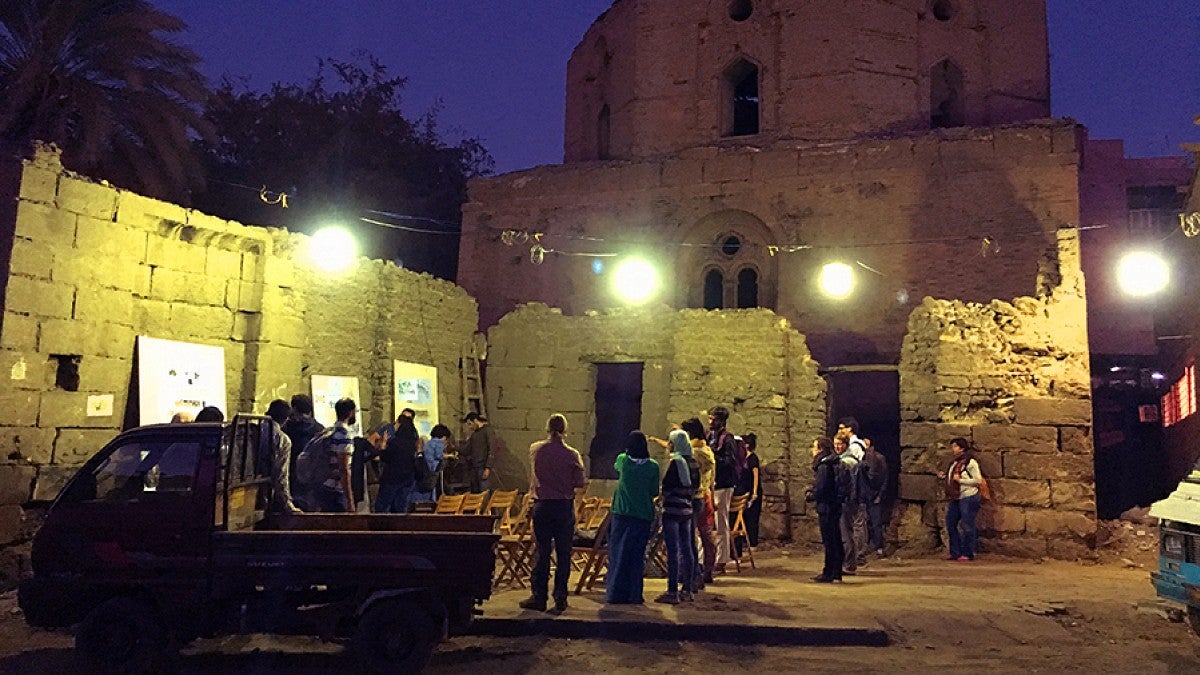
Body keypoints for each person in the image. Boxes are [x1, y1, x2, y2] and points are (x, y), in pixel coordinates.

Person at [520, 414, 586, 614]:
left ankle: (539, 596)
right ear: (565, 430)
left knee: (542, 552)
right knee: (564, 553)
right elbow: (579, 482)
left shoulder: (536, 449)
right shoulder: (572, 454)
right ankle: (560, 598)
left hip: (542, 505)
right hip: (564, 506)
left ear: (547, 428)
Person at [605, 431, 660, 604]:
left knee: (618, 554)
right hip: (643, 514)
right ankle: (634, 595)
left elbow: (616, 466)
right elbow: (654, 491)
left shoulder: (623, 460)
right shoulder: (653, 466)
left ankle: (615, 594)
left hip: (622, 513)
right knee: (637, 556)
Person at [657, 428, 699, 604]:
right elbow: (695, 487)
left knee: (673, 551)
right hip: (688, 510)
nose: (669, 446)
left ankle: (672, 591)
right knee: (687, 549)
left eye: (671, 443)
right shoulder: (694, 462)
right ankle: (687, 589)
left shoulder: (676, 463)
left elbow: (667, 486)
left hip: (673, 511)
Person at [681, 417, 716, 589]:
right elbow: (712, 478)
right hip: (707, 495)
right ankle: (708, 570)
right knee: (706, 534)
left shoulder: (693, 454)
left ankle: (691, 574)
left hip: (694, 497)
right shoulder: (708, 450)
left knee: (689, 537)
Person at [941, 437, 983, 561]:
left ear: (962, 448)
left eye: (955, 446)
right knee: (951, 522)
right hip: (957, 497)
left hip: (968, 496)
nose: (952, 449)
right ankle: (955, 551)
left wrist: (961, 481)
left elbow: (978, 480)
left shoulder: (970, 462)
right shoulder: (955, 462)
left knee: (967, 524)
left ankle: (968, 552)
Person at [707, 406, 738, 573]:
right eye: (709, 418)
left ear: (721, 421)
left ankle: (721, 559)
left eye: (713, 419)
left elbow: (729, 461)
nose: (710, 422)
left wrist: (712, 456)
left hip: (723, 485)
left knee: (721, 522)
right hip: (711, 484)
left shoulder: (728, 439)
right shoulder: (709, 435)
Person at [837, 416, 869, 566]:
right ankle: (856, 555)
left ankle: (858, 556)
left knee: (856, 525)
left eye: (842, 428)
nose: (840, 431)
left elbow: (853, 470)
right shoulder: (858, 445)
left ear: (850, 429)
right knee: (855, 524)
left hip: (854, 493)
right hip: (856, 492)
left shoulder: (855, 447)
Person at [811, 437, 844, 583]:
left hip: (826, 506)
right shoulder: (833, 462)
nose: (812, 450)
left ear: (820, 449)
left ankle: (828, 572)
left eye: (814, 447)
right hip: (834, 505)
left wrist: (811, 495)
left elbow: (822, 487)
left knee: (829, 540)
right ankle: (836, 571)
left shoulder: (824, 466)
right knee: (835, 538)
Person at [315, 398, 356, 513]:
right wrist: (350, 499)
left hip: (324, 485)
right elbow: (344, 468)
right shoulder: (344, 435)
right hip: (336, 490)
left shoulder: (331, 431)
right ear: (351, 412)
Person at [375, 414, 418, 513]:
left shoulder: (395, 443)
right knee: (400, 507)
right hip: (407, 479)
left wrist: (384, 443)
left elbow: (384, 457)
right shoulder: (412, 444)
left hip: (392, 479)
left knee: (382, 506)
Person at [283, 394, 324, 498]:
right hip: (313, 478)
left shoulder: (287, 429)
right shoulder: (319, 429)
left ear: (294, 408)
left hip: (291, 475)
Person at [834, 435, 863, 576]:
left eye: (840, 444)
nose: (837, 447)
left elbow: (845, 483)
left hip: (847, 501)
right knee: (847, 531)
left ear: (846, 445)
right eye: (835, 444)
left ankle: (849, 564)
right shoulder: (850, 460)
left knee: (846, 532)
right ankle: (849, 563)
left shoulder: (846, 462)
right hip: (850, 500)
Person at [265, 399, 299, 513]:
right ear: (286, 419)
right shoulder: (282, 439)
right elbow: (281, 474)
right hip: (266, 493)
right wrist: (287, 503)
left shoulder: (251, 430)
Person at [734, 432, 763, 558]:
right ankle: (742, 544)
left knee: (752, 519)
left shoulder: (753, 459)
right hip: (742, 490)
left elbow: (756, 476)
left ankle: (753, 544)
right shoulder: (741, 458)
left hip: (751, 492)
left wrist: (755, 492)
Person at [860, 438, 889, 556]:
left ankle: (878, 547)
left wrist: (880, 495)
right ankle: (864, 546)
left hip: (874, 494)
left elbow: (884, 478)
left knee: (876, 522)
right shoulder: (860, 458)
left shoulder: (879, 458)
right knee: (863, 523)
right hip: (864, 495)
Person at [410, 424, 450, 505]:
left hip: (425, 467)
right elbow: (439, 455)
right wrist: (449, 455)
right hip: (433, 468)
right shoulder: (439, 443)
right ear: (444, 436)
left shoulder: (428, 443)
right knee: (433, 485)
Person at [462, 412, 497, 493]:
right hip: (475, 467)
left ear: (475, 421)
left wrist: (488, 467)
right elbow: (466, 449)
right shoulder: (474, 435)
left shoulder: (488, 431)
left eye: (470, 424)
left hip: (483, 467)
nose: (470, 427)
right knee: (475, 492)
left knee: (484, 492)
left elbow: (492, 449)